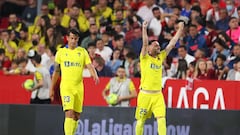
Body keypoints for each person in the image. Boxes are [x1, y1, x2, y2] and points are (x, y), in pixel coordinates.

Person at [135, 20, 184, 135]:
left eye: (158, 45)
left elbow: (172, 44)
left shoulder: (160, 57)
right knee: (141, 121)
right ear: (149, 49)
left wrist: (180, 30)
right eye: (155, 45)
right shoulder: (145, 57)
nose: (158, 46)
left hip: (157, 94)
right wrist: (144, 28)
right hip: (145, 95)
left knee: (161, 119)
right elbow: (145, 43)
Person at [50, 28, 99, 135]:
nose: (73, 41)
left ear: (78, 39)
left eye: (75, 39)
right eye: (71, 38)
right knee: (69, 113)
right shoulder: (61, 52)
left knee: (76, 116)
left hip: (79, 87)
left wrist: (94, 74)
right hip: (67, 87)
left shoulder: (82, 52)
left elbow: (89, 65)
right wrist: (52, 89)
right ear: (67, 38)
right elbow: (56, 72)